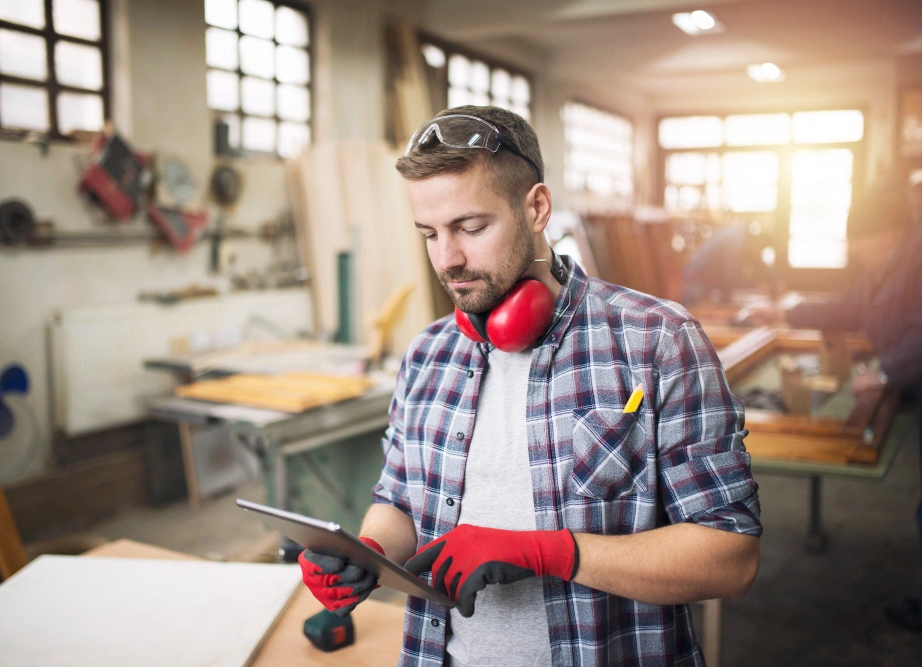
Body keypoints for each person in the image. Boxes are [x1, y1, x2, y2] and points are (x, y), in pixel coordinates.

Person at [298, 106, 762, 666]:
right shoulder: (428, 354)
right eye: (429, 234)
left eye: (471, 228)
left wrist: (549, 552)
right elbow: (397, 502)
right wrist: (366, 554)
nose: (448, 260)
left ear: (536, 207)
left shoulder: (656, 341)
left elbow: (731, 558)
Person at [776, 180, 922, 630]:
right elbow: (847, 307)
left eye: (862, 241)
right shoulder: (882, 266)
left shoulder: (915, 260)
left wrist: (884, 374)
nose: (857, 251)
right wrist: (787, 312)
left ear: (888, 234)